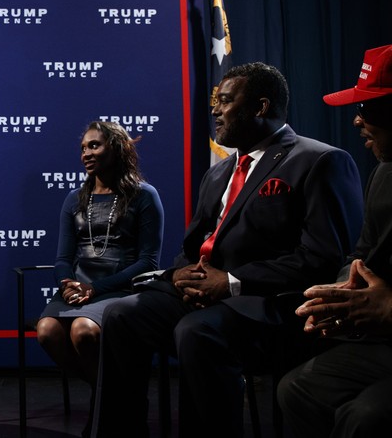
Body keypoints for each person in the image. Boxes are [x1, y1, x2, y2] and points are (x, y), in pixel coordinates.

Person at [92, 62, 364, 438]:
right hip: (210, 296)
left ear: (260, 107)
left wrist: (232, 282)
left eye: (225, 101)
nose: (215, 110)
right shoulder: (219, 172)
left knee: (196, 332)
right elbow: (194, 246)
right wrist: (184, 273)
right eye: (215, 102)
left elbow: (323, 257)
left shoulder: (320, 160)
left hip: (269, 303)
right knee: (122, 314)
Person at [277, 44, 392, 437]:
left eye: (370, 108)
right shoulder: (384, 174)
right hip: (384, 342)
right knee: (297, 389)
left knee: (364, 417)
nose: (358, 120)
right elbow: (362, 253)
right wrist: (346, 289)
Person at [36, 121, 163, 434]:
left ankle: (106, 405)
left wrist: (95, 289)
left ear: (116, 149)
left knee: (83, 331)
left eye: (94, 146)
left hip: (124, 288)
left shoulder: (144, 196)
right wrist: (67, 285)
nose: (86, 154)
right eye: (83, 148)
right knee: (47, 330)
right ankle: (121, 396)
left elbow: (149, 261)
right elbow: (63, 259)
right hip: (80, 287)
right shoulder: (75, 198)